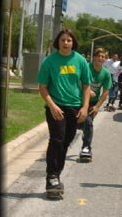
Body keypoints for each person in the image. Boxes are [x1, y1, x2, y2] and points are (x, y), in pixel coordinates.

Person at [37, 29, 91, 197]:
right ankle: (51, 177)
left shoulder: (80, 61)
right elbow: (42, 87)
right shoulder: (50, 61)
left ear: (73, 42)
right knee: (57, 139)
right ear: (58, 42)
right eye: (63, 40)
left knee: (66, 142)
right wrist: (52, 106)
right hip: (56, 107)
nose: (66, 43)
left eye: (69, 40)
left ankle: (56, 175)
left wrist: (84, 108)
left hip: (74, 108)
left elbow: (86, 85)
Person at [80, 48, 112, 160]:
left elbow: (106, 91)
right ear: (94, 57)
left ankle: (86, 148)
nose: (100, 58)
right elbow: (77, 81)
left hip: (92, 103)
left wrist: (97, 106)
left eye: (103, 57)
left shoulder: (106, 73)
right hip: (80, 100)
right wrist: (87, 90)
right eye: (98, 56)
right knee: (78, 125)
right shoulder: (86, 67)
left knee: (88, 123)